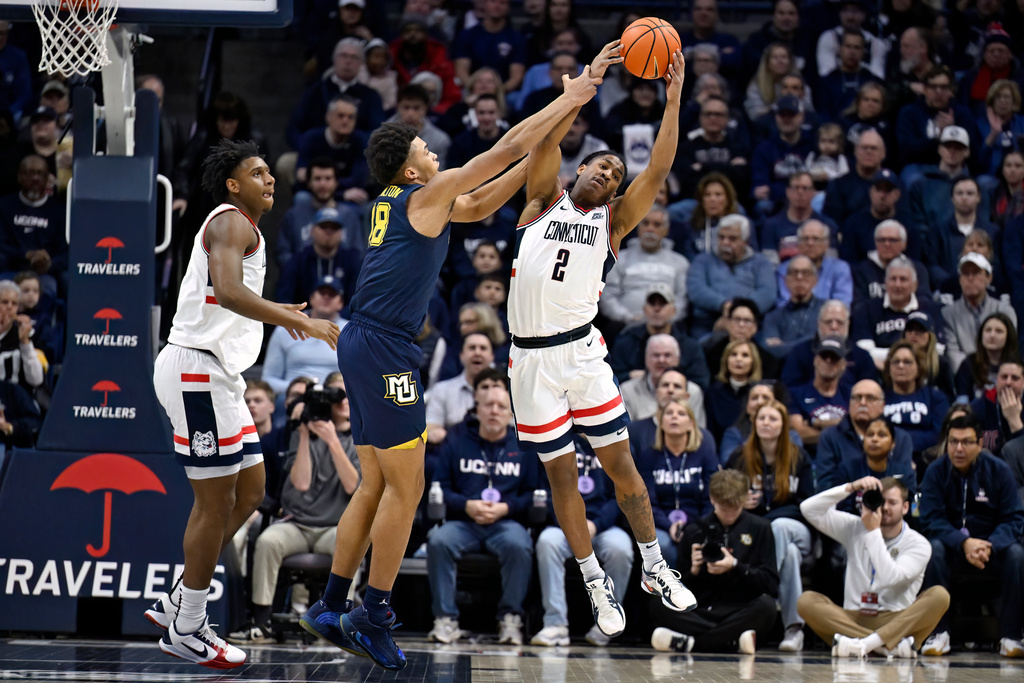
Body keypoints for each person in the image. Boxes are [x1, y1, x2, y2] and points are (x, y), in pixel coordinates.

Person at [299, 62, 601, 671]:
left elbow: (492, 194)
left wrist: (556, 129)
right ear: (413, 170)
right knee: (406, 489)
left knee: (381, 482)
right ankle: (373, 611)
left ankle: (332, 603)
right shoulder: (425, 194)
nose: (434, 150)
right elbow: (504, 147)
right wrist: (567, 99)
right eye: (425, 148)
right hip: (384, 347)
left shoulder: (406, 201)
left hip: (363, 340)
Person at [507, 43, 697, 647]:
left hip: (584, 353)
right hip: (530, 360)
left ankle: (654, 565)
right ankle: (593, 581)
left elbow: (659, 172)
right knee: (562, 478)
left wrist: (672, 101)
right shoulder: (542, 201)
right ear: (580, 170)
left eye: (616, 173)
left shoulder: (613, 223)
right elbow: (543, 144)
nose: (609, 174)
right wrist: (582, 88)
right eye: (602, 167)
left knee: (623, 468)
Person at [146, 140, 340, 668]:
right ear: (234, 185)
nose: (269, 179)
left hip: (218, 375)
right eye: (257, 173)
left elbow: (224, 297)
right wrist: (294, 319)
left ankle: (178, 600)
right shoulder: (231, 221)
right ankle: (188, 625)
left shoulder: (243, 228)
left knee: (251, 490)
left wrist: (276, 307)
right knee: (214, 502)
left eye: (268, 173)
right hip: (195, 370)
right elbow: (229, 292)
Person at [229, 372, 359, 644]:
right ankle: (262, 622)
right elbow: (300, 483)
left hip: (334, 527)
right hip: (298, 524)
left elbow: (352, 486)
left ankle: (338, 622)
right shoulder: (302, 435)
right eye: (337, 395)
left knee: (351, 544)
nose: (343, 401)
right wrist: (303, 433)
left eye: (347, 395)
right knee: (267, 541)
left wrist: (333, 440)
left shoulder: (360, 439)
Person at [426, 384, 539, 646]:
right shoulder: (457, 440)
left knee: (519, 545)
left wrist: (507, 508)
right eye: (488, 405)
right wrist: (466, 505)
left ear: (511, 415)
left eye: (501, 407)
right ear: (477, 409)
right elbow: (440, 487)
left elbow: (534, 493)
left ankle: (510, 618)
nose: (494, 411)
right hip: (463, 521)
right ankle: (445, 619)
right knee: (439, 541)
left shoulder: (524, 447)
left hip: (506, 522)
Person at [798, 475, 949, 658]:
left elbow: (891, 579)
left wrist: (873, 532)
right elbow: (808, 509)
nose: (885, 508)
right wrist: (851, 487)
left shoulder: (918, 543)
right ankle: (885, 647)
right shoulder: (855, 527)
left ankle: (862, 644)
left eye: (892, 502)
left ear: (905, 507)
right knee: (806, 601)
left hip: (896, 619)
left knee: (940, 595)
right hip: (853, 617)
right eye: (880, 501)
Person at [919, 414, 1024, 657]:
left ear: (980, 444)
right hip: (953, 548)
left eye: (966, 442)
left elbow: (1014, 518)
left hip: (991, 550)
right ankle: (938, 632)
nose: (958, 449)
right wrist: (963, 542)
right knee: (933, 549)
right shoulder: (935, 472)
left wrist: (989, 545)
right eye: (953, 442)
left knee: (1017, 554)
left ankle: (1011, 635)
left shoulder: (999, 471)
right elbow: (931, 520)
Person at [649, 470, 779, 654]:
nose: (730, 514)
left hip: (739, 609)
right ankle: (730, 642)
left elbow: (771, 584)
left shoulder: (761, 529)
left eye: (735, 507)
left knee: (767, 606)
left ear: (744, 500)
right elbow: (679, 587)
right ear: (712, 499)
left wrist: (736, 566)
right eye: (724, 508)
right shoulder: (695, 530)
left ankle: (693, 644)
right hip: (702, 610)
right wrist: (693, 571)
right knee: (658, 600)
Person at [726, 399, 814, 651]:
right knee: (790, 556)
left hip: (796, 528)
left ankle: (763, 596)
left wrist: (768, 516)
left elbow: (807, 505)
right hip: (758, 534)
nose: (766, 423)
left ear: (784, 425)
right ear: (754, 422)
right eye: (762, 418)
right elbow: (726, 497)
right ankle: (793, 630)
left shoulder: (799, 457)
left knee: (779, 528)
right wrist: (741, 503)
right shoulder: (740, 456)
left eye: (773, 418)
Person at [531, 438, 635, 648]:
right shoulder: (555, 441)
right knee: (547, 542)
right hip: (564, 525)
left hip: (601, 526)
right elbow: (547, 490)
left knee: (621, 548)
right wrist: (571, 523)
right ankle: (555, 624)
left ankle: (607, 624)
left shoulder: (614, 442)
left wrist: (596, 524)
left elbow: (622, 492)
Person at [636, 398, 718, 570]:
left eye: (681, 414)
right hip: (661, 524)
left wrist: (697, 525)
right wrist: (668, 525)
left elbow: (711, 496)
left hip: (697, 521)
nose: (674, 417)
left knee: (698, 538)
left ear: (691, 424)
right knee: (663, 546)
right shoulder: (648, 456)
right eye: (669, 413)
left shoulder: (704, 452)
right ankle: (673, 592)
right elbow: (647, 501)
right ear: (661, 422)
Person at [816, 379, 915, 493]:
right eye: (857, 397)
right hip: (844, 506)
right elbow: (825, 487)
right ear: (849, 403)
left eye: (870, 398)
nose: (862, 403)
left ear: (882, 405)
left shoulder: (900, 437)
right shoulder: (830, 436)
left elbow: (904, 482)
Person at [942, 253, 1017, 371]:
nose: (970, 278)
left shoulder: (1005, 311)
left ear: (989, 277)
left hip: (1000, 374)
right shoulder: (947, 314)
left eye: (976, 273)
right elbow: (953, 355)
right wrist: (976, 375)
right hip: (965, 377)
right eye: (965, 274)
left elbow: (1010, 350)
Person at [881, 341, 950, 457]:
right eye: (896, 362)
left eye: (907, 362)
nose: (900, 365)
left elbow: (939, 435)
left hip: (925, 458)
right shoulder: (879, 397)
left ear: (919, 367)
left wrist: (899, 441)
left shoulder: (935, 397)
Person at [425, 331, 494, 444]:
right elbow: (431, 427)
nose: (477, 352)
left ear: (492, 356)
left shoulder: (506, 391)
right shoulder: (441, 390)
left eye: (483, 348)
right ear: (462, 356)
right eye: (472, 348)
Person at [788, 337, 852, 450]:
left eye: (834, 358)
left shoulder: (851, 394)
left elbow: (858, 430)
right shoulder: (795, 394)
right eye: (823, 357)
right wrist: (841, 430)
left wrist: (817, 423)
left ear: (843, 365)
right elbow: (798, 434)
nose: (828, 361)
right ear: (815, 360)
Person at [955, 312, 1020, 401]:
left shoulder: (1018, 365)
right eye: (988, 330)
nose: (992, 335)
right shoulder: (969, 364)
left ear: (1008, 337)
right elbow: (962, 400)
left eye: (999, 331)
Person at [707, 340, 762, 443]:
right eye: (733, 355)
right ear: (726, 360)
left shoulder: (759, 394)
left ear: (753, 361)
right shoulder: (713, 392)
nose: (738, 359)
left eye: (745, 355)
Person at [970, 359, 1024, 457]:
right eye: (1004, 377)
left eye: (1015, 378)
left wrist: (1015, 421)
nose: (1008, 382)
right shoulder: (978, 407)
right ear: (997, 380)